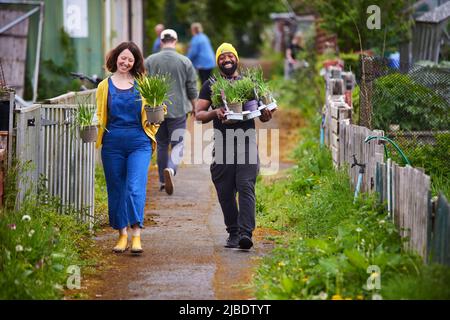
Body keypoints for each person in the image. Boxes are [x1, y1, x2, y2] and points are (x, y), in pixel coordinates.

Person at [195, 43, 274, 250]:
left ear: (236, 58)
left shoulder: (248, 83)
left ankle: (246, 234)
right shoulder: (210, 84)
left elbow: (262, 113)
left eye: (230, 56)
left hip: (246, 139)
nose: (227, 60)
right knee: (225, 189)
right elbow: (199, 114)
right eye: (222, 57)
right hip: (222, 143)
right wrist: (216, 112)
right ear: (218, 61)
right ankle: (233, 231)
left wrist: (266, 115)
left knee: (246, 185)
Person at [95, 41, 159, 254]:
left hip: (139, 143)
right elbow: (99, 113)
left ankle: (136, 234)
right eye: (123, 58)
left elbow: (159, 108)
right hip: (112, 144)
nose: (126, 62)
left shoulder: (144, 84)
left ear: (135, 62)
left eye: (130, 59)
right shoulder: (104, 86)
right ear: (115, 58)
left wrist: (154, 122)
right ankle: (122, 234)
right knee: (117, 189)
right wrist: (90, 124)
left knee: (134, 187)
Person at [145, 29, 198, 195]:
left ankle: (162, 180)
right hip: (178, 109)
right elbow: (191, 87)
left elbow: (143, 84)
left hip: (156, 110)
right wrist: (195, 106)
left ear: (161, 41)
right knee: (178, 145)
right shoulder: (185, 61)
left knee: (161, 145)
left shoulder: (150, 61)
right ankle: (171, 169)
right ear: (175, 41)